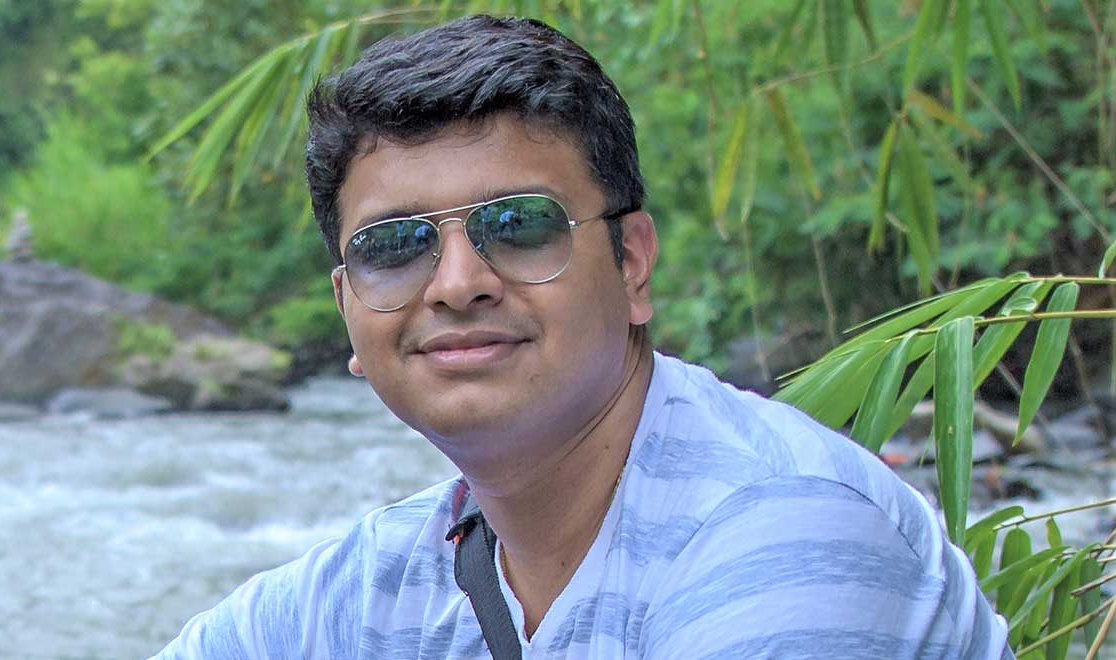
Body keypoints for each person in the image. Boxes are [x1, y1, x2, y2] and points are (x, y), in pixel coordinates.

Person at [151, 15, 1012, 659]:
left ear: (632, 263)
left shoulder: (782, 532)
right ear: (348, 306)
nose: (456, 283)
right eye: (394, 246)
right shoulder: (377, 584)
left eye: (520, 225)